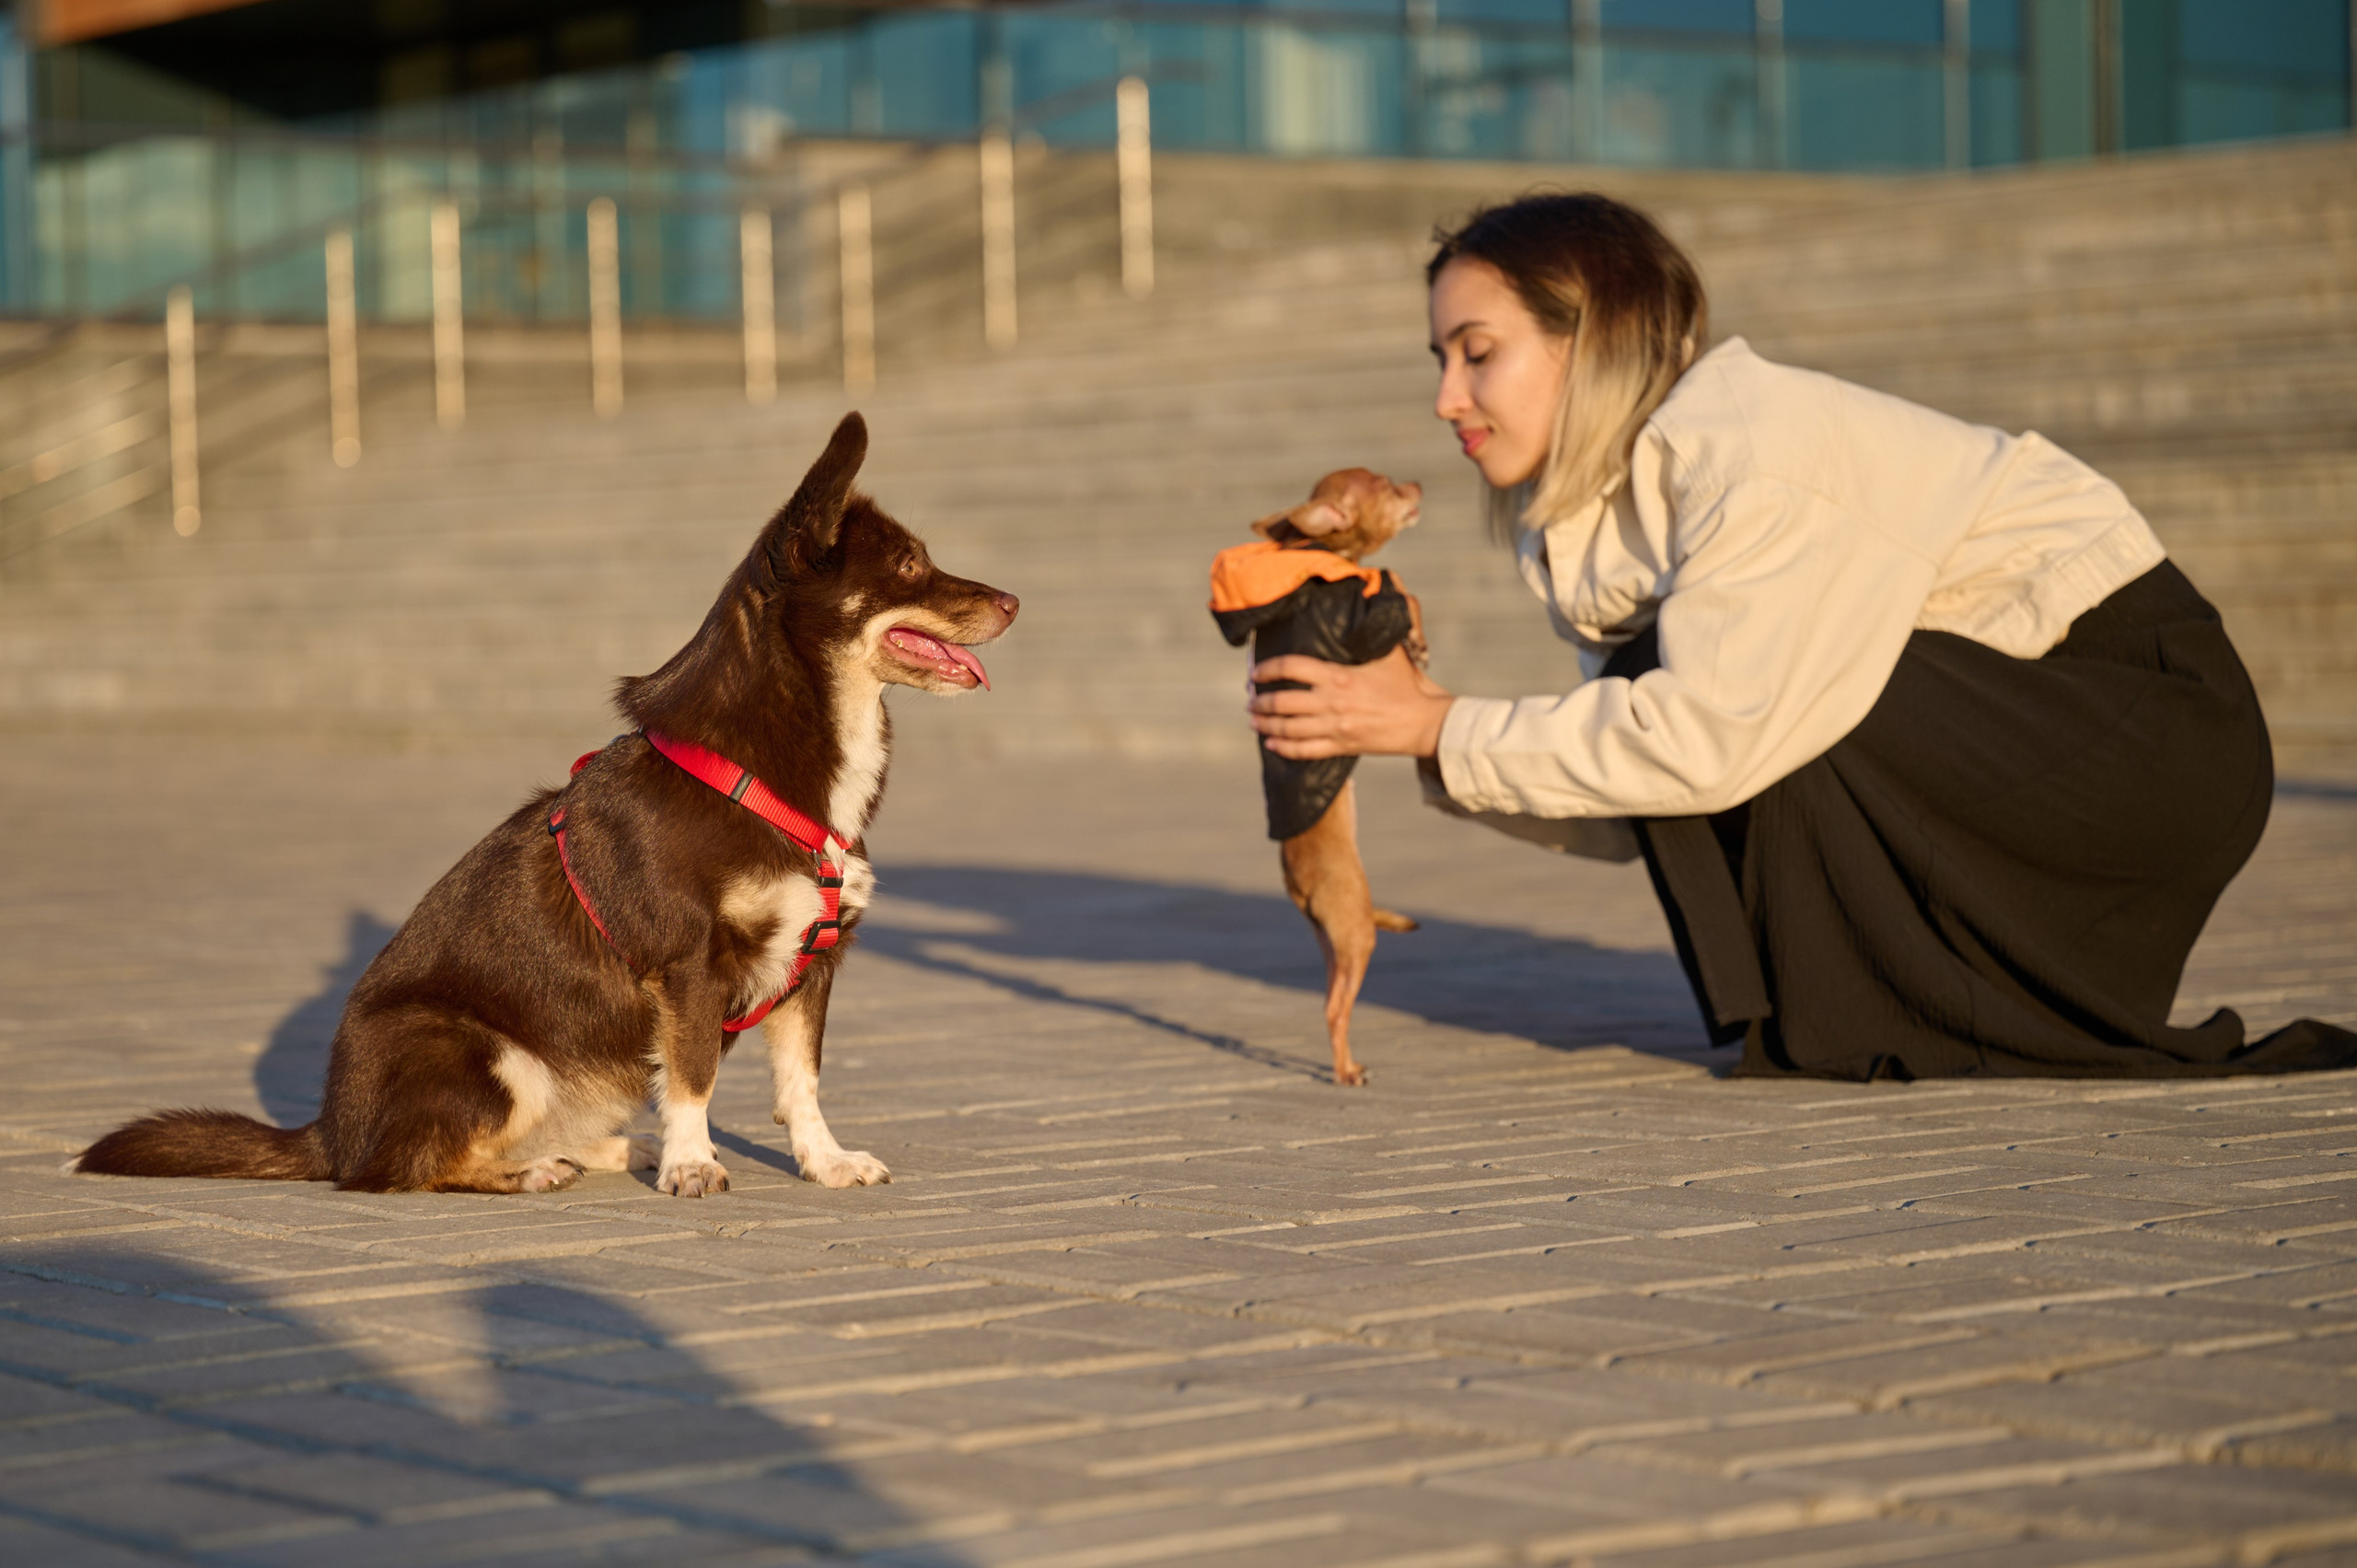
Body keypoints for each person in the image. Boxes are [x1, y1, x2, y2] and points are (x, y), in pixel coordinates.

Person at [1246, 192, 2357, 1081]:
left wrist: (1442, 726)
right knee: (1679, 688)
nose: (1446, 397)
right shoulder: (1601, 525)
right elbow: (1659, 805)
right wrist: (1423, 736)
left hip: (2144, 729)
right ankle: (1876, 1009)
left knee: (1720, 696)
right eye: (1438, 358)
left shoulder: (1753, 452)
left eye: (1476, 351)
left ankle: (1911, 1006)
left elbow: (1713, 739)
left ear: (1596, 338)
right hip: (2026, 732)